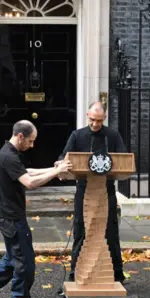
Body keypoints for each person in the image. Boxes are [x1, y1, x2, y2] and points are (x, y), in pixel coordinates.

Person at [0, 120, 73, 298]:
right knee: (25, 261)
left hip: (8, 215)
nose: (32, 145)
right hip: (11, 217)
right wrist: (56, 171)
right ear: (20, 137)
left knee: (14, 256)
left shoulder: (9, 153)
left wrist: (54, 170)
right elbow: (29, 182)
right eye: (30, 141)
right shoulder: (9, 156)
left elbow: (26, 172)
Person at [56, 101, 127, 283]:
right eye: (93, 120)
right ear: (87, 115)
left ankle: (116, 274)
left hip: (106, 191)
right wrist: (60, 165)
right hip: (84, 190)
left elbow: (123, 159)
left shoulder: (112, 135)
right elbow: (63, 157)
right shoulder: (77, 135)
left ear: (104, 118)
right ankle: (75, 274)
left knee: (110, 232)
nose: (95, 124)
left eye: (99, 121)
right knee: (81, 232)